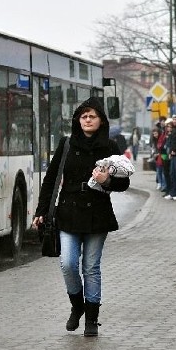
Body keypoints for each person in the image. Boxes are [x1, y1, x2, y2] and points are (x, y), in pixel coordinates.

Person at [32, 97, 130, 337]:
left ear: (100, 121)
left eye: (92, 116)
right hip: (68, 212)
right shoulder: (66, 144)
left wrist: (107, 180)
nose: (88, 120)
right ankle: (77, 307)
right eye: (84, 116)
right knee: (67, 263)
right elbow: (51, 180)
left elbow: (124, 182)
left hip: (98, 214)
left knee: (91, 268)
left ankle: (91, 320)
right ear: (78, 120)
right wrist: (41, 211)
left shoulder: (110, 146)